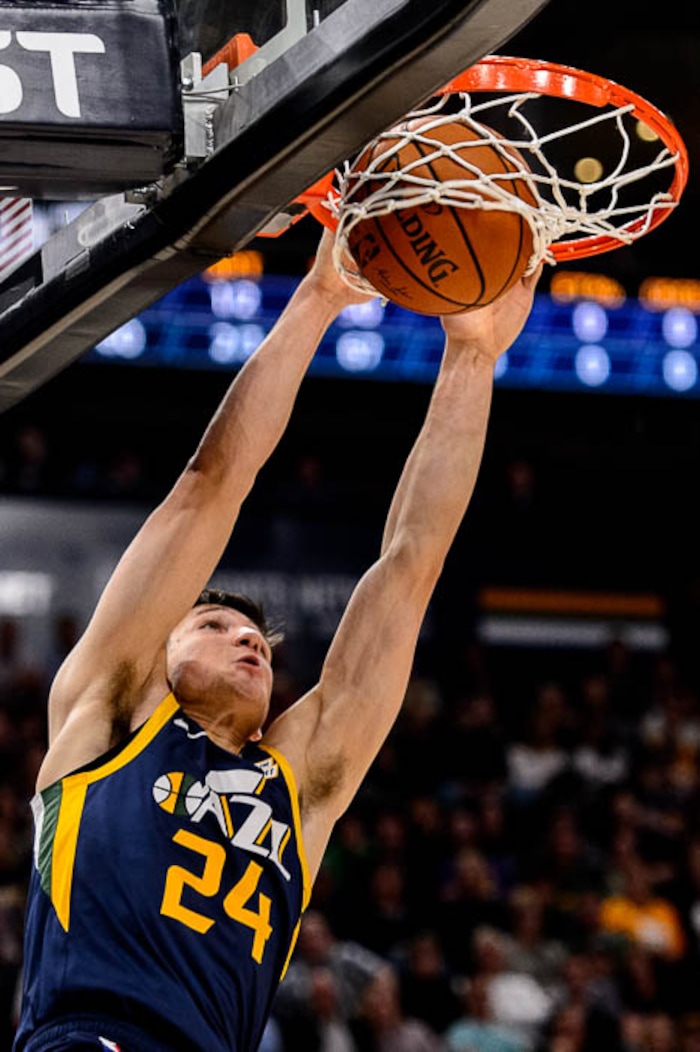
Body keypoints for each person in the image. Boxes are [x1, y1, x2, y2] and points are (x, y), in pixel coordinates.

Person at [13, 229, 540, 1052]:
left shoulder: (298, 786)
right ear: (161, 654)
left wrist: (472, 356)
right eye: (217, 627)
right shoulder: (112, 708)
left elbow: (409, 567)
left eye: (257, 638)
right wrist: (320, 295)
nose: (248, 642)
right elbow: (209, 484)